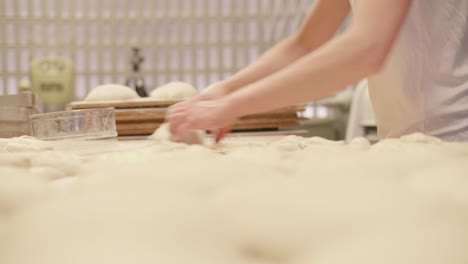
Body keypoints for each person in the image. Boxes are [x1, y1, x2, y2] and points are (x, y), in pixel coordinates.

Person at [167, 0, 468, 142]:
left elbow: (367, 49)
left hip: (455, 144)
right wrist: (225, 90)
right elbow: (305, 44)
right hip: (410, 144)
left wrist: (233, 106)